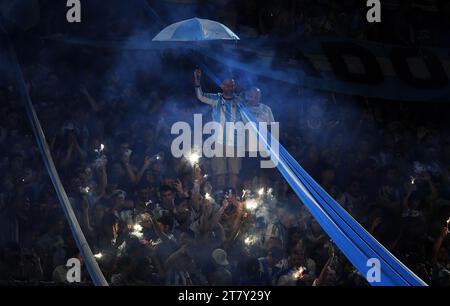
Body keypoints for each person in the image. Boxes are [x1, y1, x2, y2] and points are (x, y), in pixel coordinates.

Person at [194, 68, 242, 189]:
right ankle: (220, 195)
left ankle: (232, 196)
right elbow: (200, 96)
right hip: (218, 141)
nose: (230, 87)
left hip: (235, 142)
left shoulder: (239, 100)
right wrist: (197, 81)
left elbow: (249, 116)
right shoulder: (216, 99)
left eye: (232, 85)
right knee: (219, 173)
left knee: (234, 173)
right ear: (222, 86)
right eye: (227, 85)